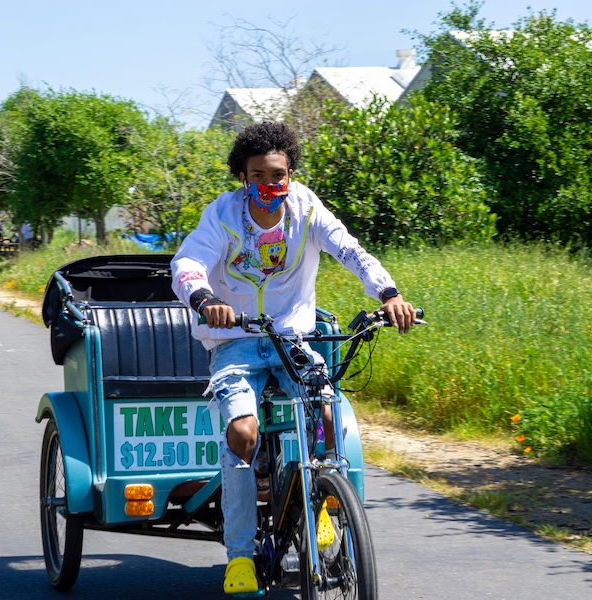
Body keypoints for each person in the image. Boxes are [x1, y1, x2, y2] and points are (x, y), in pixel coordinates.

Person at [170, 122, 416, 595]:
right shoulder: (222, 214)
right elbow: (187, 263)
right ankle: (240, 556)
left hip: (291, 337)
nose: (269, 184)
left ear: (291, 173)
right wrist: (204, 299)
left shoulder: (306, 208)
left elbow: (350, 250)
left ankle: (322, 506)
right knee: (242, 435)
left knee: (326, 410)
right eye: (258, 174)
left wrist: (388, 293)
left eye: (278, 174)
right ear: (243, 177)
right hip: (235, 341)